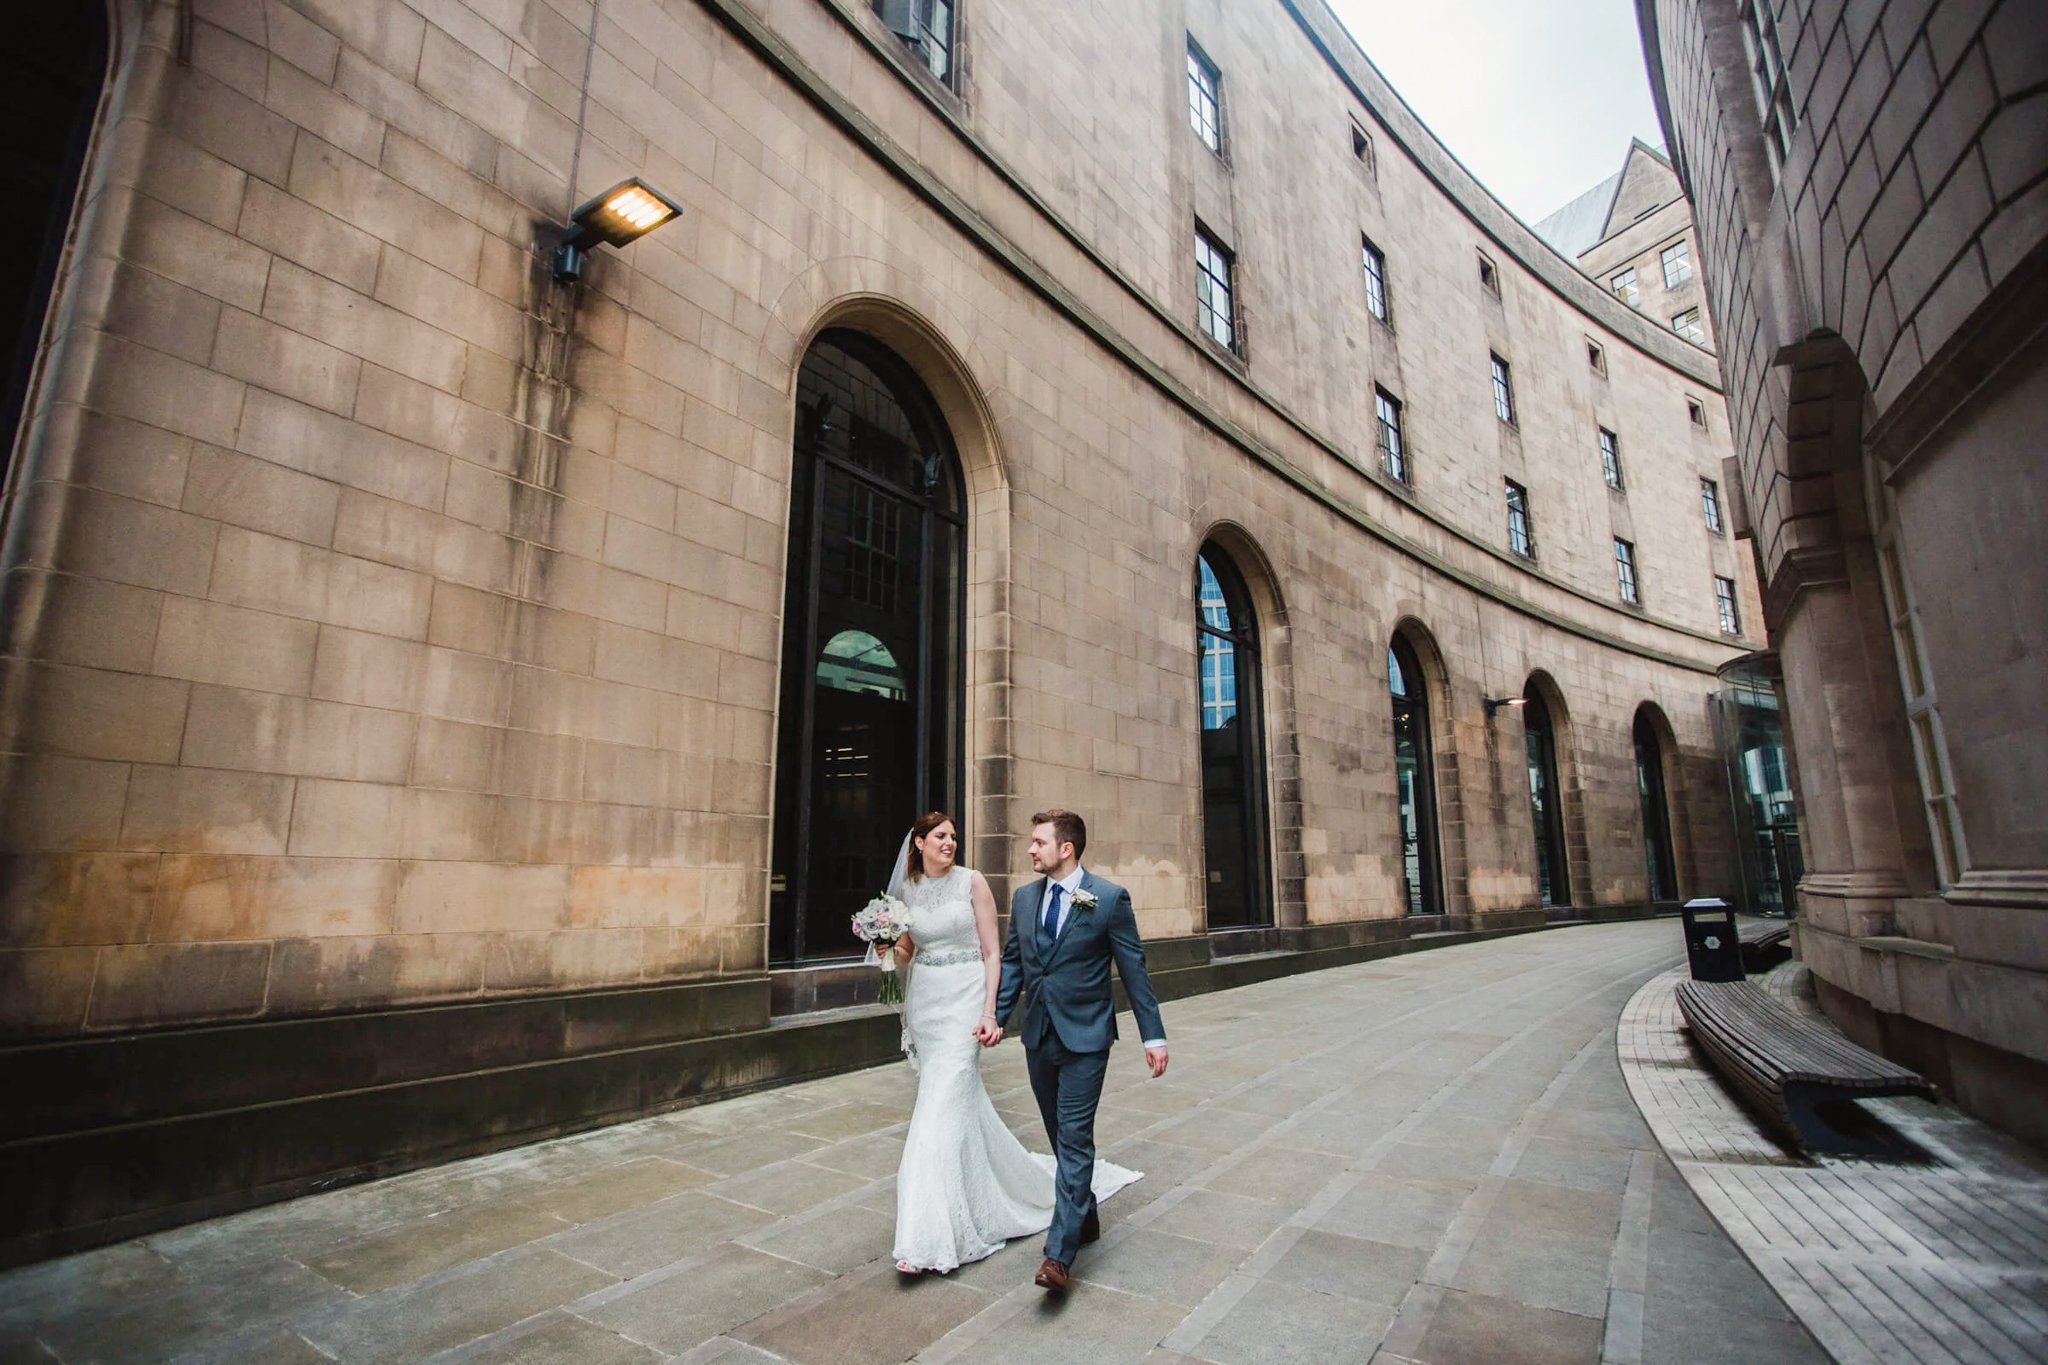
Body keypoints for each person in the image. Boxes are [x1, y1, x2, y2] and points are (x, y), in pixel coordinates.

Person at [885, 811, 1146, 1274]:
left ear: (1064, 848)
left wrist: (992, 1013)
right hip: (927, 1003)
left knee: (940, 1107)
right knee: (943, 1105)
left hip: (969, 1004)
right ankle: (1064, 1201)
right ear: (919, 843)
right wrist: (886, 947)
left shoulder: (976, 882)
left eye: (954, 836)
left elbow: (995, 954)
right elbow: (908, 949)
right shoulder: (909, 889)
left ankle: (934, 1236)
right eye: (941, 836)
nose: (950, 843)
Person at [977, 808, 1169, 1292]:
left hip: (1086, 1039)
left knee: (1075, 1138)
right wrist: (997, 1019)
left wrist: (1154, 1035)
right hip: (1039, 1037)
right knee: (1060, 1134)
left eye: (1039, 842)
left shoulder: (1107, 899)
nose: (1030, 849)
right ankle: (1085, 1217)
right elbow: (1017, 966)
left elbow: (1134, 971)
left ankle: (1058, 1257)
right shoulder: (1023, 900)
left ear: (1066, 849)